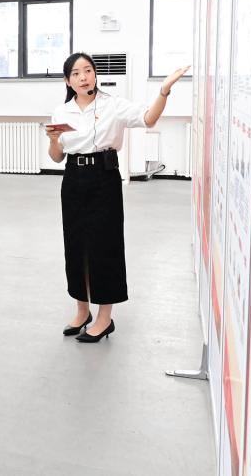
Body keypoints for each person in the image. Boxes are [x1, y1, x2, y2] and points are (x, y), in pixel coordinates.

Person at [46, 52, 188, 342]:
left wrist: (164, 90)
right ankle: (82, 311)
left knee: (104, 246)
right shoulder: (62, 112)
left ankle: (104, 318)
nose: (83, 77)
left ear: (95, 74)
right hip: (73, 180)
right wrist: (53, 141)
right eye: (76, 73)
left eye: (88, 70)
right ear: (67, 81)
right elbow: (57, 156)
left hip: (103, 178)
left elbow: (149, 118)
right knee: (75, 245)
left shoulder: (113, 105)